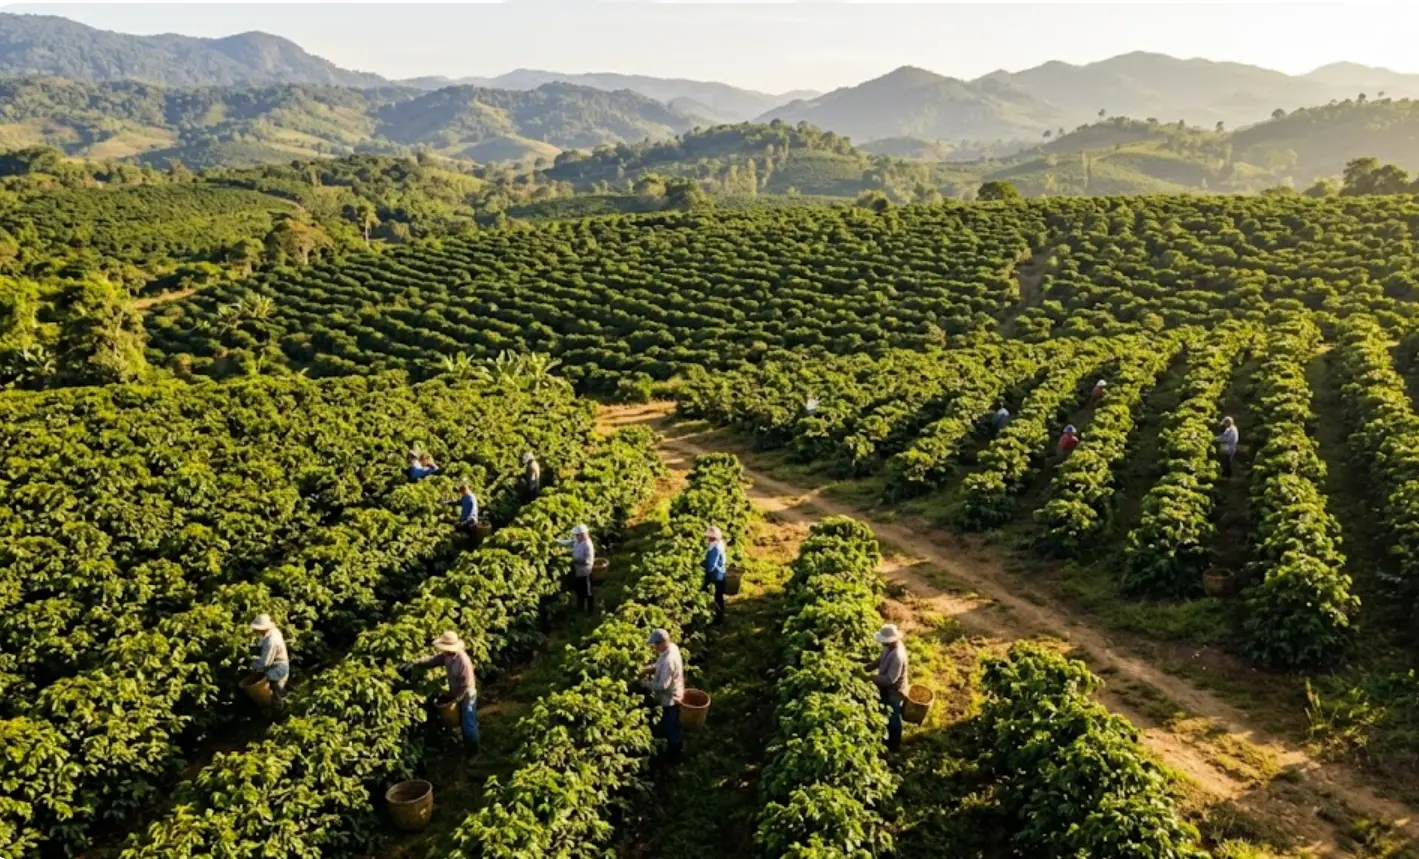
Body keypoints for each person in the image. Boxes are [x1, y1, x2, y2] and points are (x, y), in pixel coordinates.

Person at [403, 631, 479, 750]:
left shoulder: (463, 661)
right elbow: (432, 661)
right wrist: (416, 662)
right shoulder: (446, 656)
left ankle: (473, 751)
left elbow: (467, 684)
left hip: (467, 694)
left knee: (468, 723)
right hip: (455, 691)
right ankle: (466, 746)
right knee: (460, 722)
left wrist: (456, 700)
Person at [643, 628, 685, 766]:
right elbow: (660, 664)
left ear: (662, 643)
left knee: (671, 728)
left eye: (655, 645)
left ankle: (675, 758)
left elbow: (663, 685)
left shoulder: (669, 661)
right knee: (669, 725)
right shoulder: (672, 648)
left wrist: (646, 684)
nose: (654, 648)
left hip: (671, 699)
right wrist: (649, 668)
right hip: (675, 691)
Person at [865, 623, 909, 753]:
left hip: (895, 691)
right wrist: (869, 666)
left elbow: (890, 680)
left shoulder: (897, 656)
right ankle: (888, 740)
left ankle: (895, 747)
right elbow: (880, 660)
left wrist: (868, 678)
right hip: (886, 688)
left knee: (894, 719)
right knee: (887, 714)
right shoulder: (888, 647)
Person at [249, 614, 289, 713]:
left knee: (276, 690)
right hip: (276, 663)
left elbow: (266, 662)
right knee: (276, 688)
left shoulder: (271, 641)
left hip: (279, 666)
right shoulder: (272, 632)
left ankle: (278, 713)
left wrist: (252, 665)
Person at [560, 524, 596, 614]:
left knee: (588, 592)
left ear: (583, 534)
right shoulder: (577, 541)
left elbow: (587, 561)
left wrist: (573, 560)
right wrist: (557, 542)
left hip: (586, 572)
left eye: (577, 535)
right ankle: (580, 610)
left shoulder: (588, 545)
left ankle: (590, 612)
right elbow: (569, 542)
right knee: (580, 592)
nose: (576, 537)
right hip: (578, 572)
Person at [702, 525, 728, 625]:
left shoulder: (715, 548)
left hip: (717, 575)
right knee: (718, 596)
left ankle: (718, 619)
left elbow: (712, 564)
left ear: (713, 537)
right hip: (720, 573)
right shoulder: (718, 544)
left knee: (718, 597)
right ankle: (718, 617)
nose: (708, 538)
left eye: (709, 536)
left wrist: (706, 571)